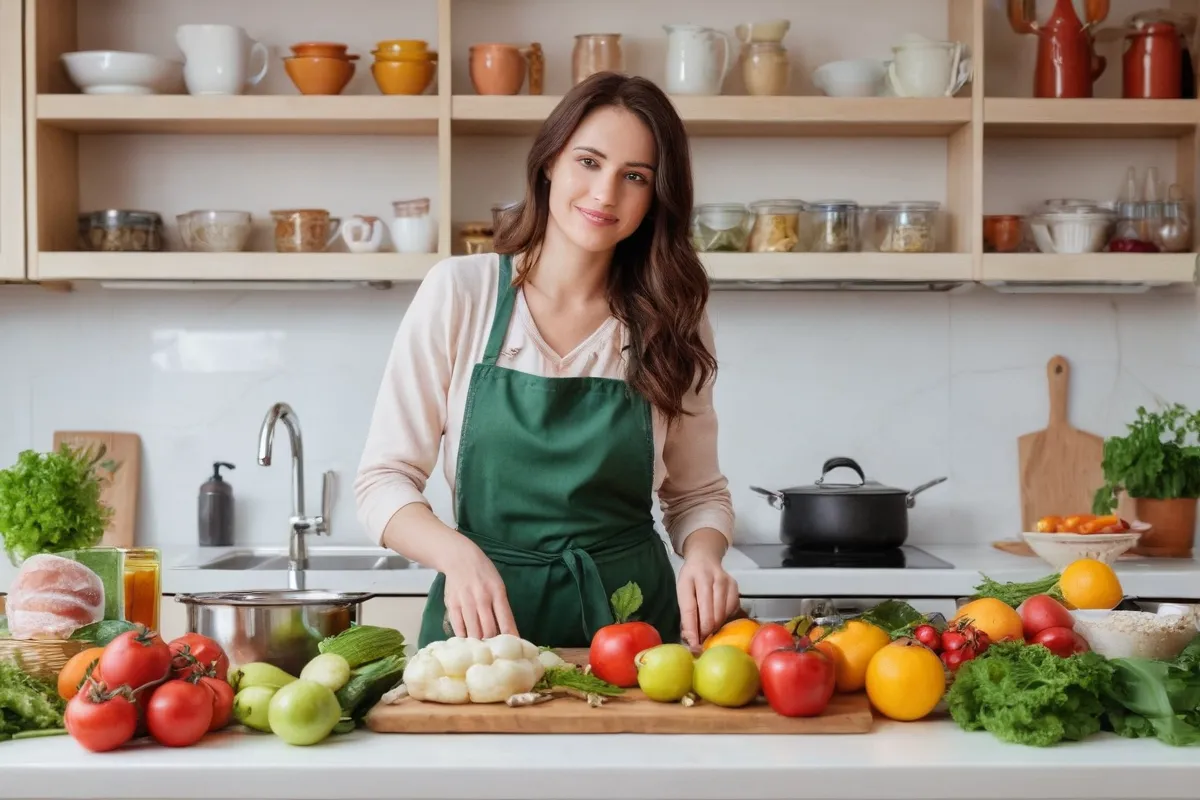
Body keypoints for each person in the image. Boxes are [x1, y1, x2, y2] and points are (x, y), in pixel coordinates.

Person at [355, 71, 737, 650]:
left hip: (633, 632)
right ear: (550, 162)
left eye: (634, 176)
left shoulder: (671, 317)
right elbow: (383, 480)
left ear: (656, 196)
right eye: (589, 162)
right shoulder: (462, 292)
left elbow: (697, 494)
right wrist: (457, 556)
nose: (605, 194)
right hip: (482, 635)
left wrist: (705, 557)